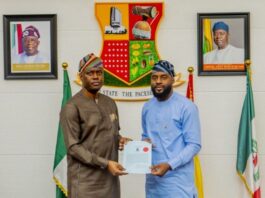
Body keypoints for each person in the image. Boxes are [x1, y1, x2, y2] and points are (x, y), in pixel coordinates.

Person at [60, 53, 130, 198]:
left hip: (110, 182)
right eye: (90, 73)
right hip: (86, 184)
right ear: (81, 77)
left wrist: (120, 139)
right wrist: (105, 163)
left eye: (99, 73)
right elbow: (73, 147)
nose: (96, 77)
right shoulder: (72, 106)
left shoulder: (110, 102)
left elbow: (110, 133)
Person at [141, 60, 201, 198]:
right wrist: (140, 145)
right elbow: (145, 136)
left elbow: (194, 145)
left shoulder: (186, 107)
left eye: (163, 77)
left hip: (177, 184)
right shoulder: (147, 107)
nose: (158, 81)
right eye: (154, 77)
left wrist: (169, 165)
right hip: (153, 182)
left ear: (172, 79)